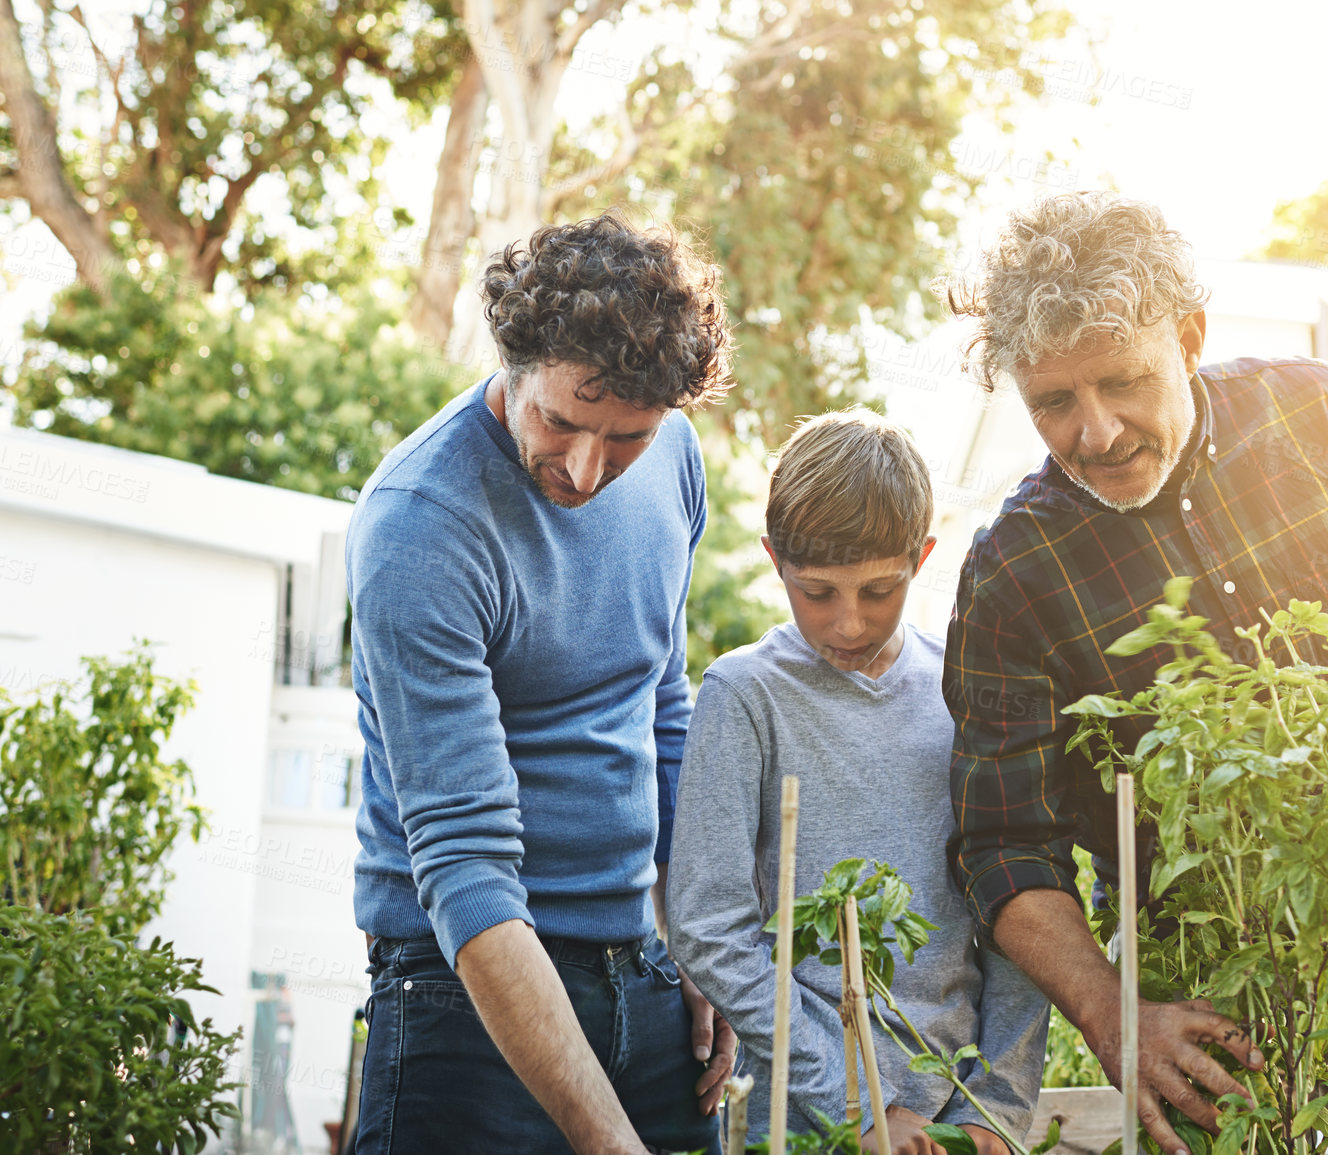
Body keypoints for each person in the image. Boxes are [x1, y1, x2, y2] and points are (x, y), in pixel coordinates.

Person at [941, 192, 1328, 1155]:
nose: (1094, 432)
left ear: (1188, 334)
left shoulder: (1324, 417)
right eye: (1053, 401)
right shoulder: (1015, 574)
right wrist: (1110, 1011)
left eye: (1122, 381)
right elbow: (1004, 845)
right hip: (1211, 1020)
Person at [345, 213, 738, 1155]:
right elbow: (465, 863)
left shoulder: (674, 459)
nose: (586, 469)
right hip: (461, 995)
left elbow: (661, 707)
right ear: (513, 362)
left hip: (641, 978)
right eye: (560, 421)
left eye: (626, 438)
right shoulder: (421, 524)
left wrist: (695, 932)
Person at [667, 409, 1050, 1155]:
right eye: (817, 592)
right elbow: (709, 926)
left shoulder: (965, 690)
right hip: (797, 1124)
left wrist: (993, 1113)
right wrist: (859, 1101)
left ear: (922, 557)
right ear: (774, 559)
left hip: (955, 1121)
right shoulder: (745, 696)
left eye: (878, 590)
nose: (847, 623)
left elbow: (1018, 908)